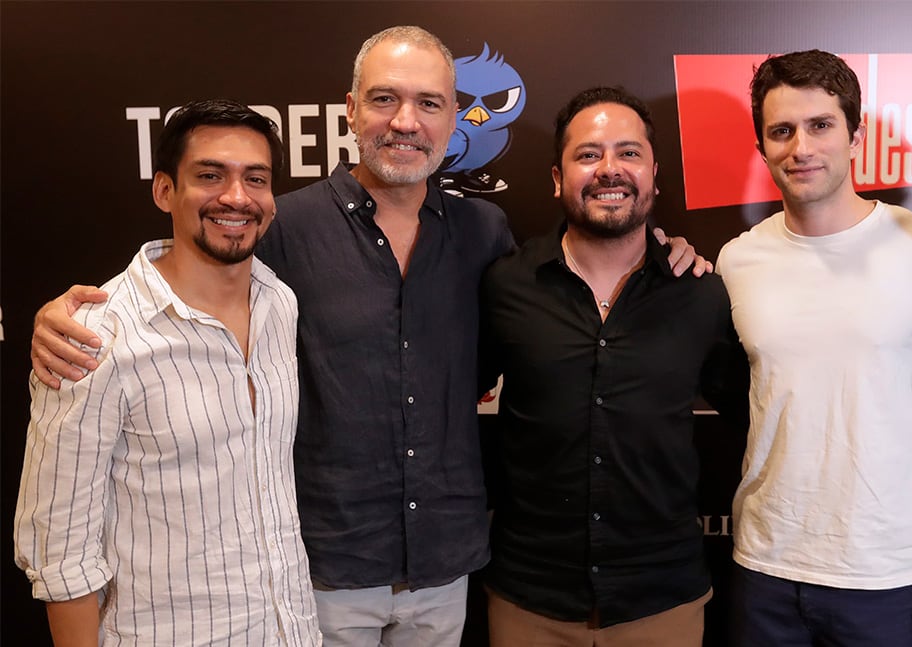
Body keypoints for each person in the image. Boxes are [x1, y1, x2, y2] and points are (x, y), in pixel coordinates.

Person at [27, 26, 704, 647]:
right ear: (351, 110)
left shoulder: (483, 232)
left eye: (429, 104)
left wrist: (668, 252)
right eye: (386, 99)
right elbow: (191, 276)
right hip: (321, 572)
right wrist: (68, 315)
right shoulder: (283, 226)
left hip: (446, 568)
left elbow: (569, 288)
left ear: (453, 119)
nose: (406, 122)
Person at [13, 99, 319, 645]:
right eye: (210, 175)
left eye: (256, 178)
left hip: (289, 628)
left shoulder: (280, 304)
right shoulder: (93, 335)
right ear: (163, 191)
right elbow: (59, 549)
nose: (236, 197)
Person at [478, 86, 747, 647]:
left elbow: (754, 413)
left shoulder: (699, 293)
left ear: (654, 175)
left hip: (662, 597)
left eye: (628, 153)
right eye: (588, 154)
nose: (609, 170)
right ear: (557, 178)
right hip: (530, 597)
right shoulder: (505, 284)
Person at [715, 50, 912, 646]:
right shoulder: (735, 260)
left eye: (820, 125)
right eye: (782, 131)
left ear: (855, 136)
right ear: (762, 148)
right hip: (765, 562)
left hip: (888, 569)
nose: (801, 147)